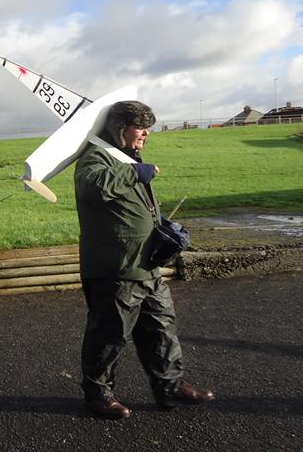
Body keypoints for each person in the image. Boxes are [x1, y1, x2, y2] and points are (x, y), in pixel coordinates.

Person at [74, 100, 214, 419]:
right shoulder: (96, 157)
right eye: (140, 127)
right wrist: (135, 172)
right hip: (116, 268)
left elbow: (134, 205)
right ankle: (97, 395)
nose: (146, 133)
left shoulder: (124, 158)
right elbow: (92, 187)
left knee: (162, 329)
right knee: (109, 335)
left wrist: (162, 226)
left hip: (147, 264)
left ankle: (170, 387)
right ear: (119, 128)